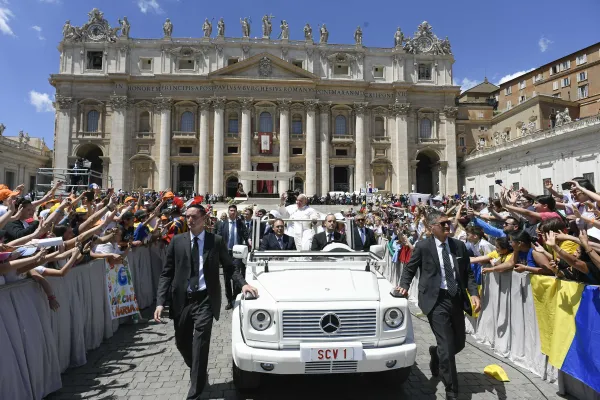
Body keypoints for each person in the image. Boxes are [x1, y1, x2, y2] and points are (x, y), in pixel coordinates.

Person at [154, 204, 258, 400]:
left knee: (200, 344)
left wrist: (243, 284)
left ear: (204, 218)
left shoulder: (216, 241)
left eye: (194, 216)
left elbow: (229, 267)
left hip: (205, 300)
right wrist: (160, 302)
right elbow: (166, 274)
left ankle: (195, 392)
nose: (189, 220)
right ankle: (198, 371)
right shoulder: (177, 242)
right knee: (182, 343)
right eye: (187, 216)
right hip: (182, 300)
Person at [396, 210, 480, 400]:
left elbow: (467, 273)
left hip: (456, 299)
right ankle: (452, 391)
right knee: (447, 347)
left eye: (448, 223)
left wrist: (474, 293)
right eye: (442, 224)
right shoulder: (423, 246)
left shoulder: (459, 246)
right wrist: (403, 286)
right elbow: (410, 269)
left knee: (458, 343)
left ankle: (435, 353)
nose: (447, 226)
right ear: (432, 228)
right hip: (435, 300)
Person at [216, 204, 249, 310]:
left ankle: (235, 298)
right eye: (230, 210)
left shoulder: (240, 223)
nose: (232, 212)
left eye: (234, 211)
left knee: (236, 276)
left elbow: (245, 234)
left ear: (236, 212)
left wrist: (249, 241)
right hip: (226, 253)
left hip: (237, 253)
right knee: (226, 279)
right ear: (228, 212)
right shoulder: (222, 224)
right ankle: (229, 300)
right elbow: (218, 236)